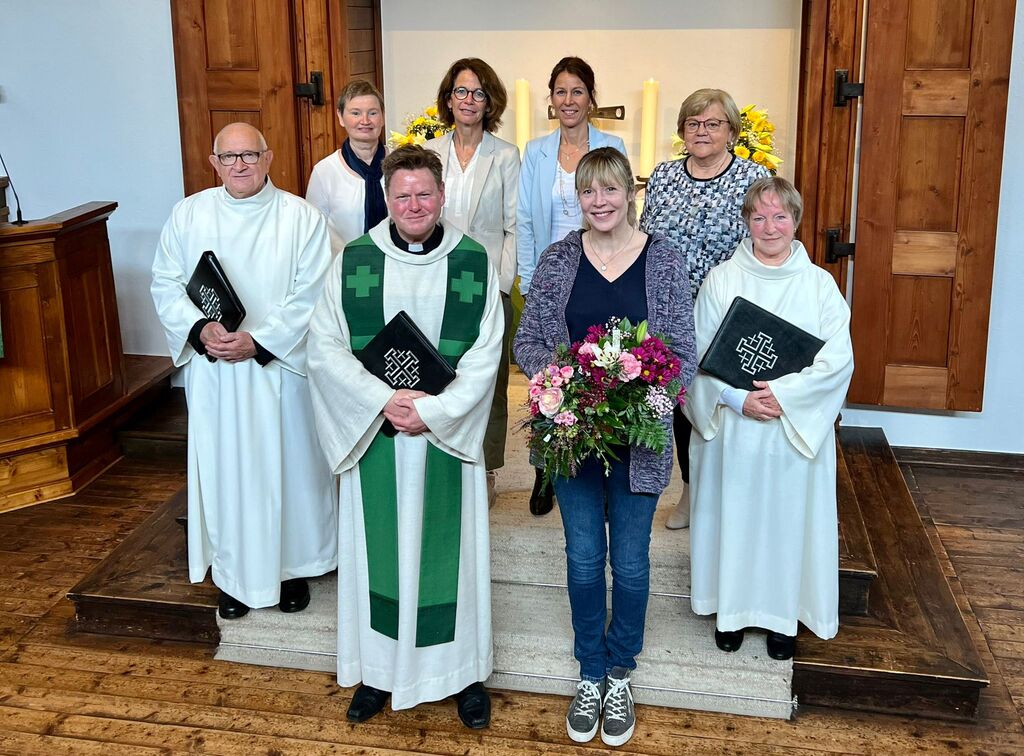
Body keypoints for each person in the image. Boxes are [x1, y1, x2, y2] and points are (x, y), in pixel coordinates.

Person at [306, 145, 503, 729]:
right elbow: (325, 345)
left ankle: (463, 673)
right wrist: (380, 402)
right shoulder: (355, 261)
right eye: (402, 195)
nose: (414, 205)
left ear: (442, 196)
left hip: (444, 440)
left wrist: (437, 413)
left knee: (455, 558)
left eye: (424, 194)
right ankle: (377, 672)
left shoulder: (472, 262)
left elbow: (487, 354)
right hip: (378, 439)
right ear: (386, 198)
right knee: (378, 558)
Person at [514, 148, 696, 747]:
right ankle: (590, 671)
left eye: (610, 189)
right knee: (586, 559)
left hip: (638, 440)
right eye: (588, 192)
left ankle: (622, 669)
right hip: (572, 436)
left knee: (634, 562)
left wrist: (643, 389)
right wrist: (568, 383)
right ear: (578, 199)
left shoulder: (664, 262)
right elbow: (530, 339)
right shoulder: (557, 259)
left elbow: (683, 353)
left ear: (628, 192)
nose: (600, 201)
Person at [151, 122, 337, 620]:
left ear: (269, 157)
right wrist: (199, 329)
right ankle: (235, 575)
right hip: (216, 375)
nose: (239, 165)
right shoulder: (188, 215)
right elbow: (165, 282)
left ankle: (292, 566)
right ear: (213, 162)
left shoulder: (301, 218)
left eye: (249, 155)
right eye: (229, 157)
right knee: (227, 470)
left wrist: (261, 340)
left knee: (291, 467)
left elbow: (313, 292)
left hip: (279, 373)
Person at [685, 176, 854, 661]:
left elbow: (838, 361)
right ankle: (730, 613)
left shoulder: (820, 286)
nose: (770, 226)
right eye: (758, 216)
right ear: (746, 222)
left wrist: (782, 395)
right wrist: (738, 400)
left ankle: (782, 620)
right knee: (733, 517)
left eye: (780, 216)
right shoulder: (722, 280)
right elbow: (696, 355)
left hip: (789, 430)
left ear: (796, 221)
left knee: (785, 522)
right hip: (734, 429)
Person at [640, 88, 769, 530]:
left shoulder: (751, 178)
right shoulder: (662, 176)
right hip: (670, 310)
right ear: (681, 131)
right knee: (681, 401)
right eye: (693, 123)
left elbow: (763, 243)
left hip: (726, 311)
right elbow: (646, 239)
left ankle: (732, 494)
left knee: (726, 400)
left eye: (713, 124)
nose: (702, 131)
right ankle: (691, 491)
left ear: (731, 132)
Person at [517, 56, 626, 516]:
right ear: (551, 99)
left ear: (590, 97)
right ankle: (546, 467)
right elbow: (524, 220)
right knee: (551, 372)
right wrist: (528, 277)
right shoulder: (536, 152)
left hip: (600, 269)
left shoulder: (611, 143)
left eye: (577, 91)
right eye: (560, 92)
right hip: (553, 273)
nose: (568, 100)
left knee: (599, 374)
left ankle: (601, 467)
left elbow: (620, 205)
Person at [424, 58, 520, 508]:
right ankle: (445, 458)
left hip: (485, 285)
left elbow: (514, 226)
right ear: (448, 99)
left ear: (489, 102)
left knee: (490, 378)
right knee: (441, 374)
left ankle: (488, 466)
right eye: (461, 92)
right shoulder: (431, 153)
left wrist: (501, 286)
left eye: (478, 93)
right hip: (435, 280)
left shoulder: (504, 155)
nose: (468, 100)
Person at [306, 79, 388, 252]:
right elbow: (314, 231)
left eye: (372, 113)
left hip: (398, 265)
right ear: (340, 117)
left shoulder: (401, 165)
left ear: (383, 117)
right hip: (343, 267)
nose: (365, 121)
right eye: (356, 113)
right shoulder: (325, 172)